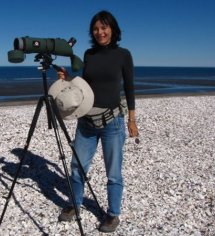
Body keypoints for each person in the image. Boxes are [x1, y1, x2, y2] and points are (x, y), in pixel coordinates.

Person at [57, 10, 139, 233]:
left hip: (112, 122)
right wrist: (68, 78)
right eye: (96, 28)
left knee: (113, 172)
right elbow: (84, 82)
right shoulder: (89, 54)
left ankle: (112, 214)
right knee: (77, 168)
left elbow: (130, 88)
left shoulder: (123, 55)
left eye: (104, 27)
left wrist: (132, 120)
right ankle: (75, 204)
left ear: (112, 29)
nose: (100, 32)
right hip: (86, 122)